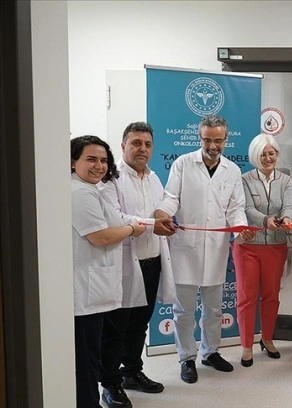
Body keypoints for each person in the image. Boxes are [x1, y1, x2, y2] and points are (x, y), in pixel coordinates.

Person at [155, 114, 253, 384]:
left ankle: (210, 352)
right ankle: (186, 358)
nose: (212, 145)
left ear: (226, 139)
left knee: (213, 310)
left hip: (216, 249)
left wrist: (240, 228)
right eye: (207, 139)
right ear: (200, 137)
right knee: (184, 310)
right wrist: (163, 212)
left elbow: (235, 208)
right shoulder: (183, 164)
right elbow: (171, 197)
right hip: (185, 248)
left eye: (218, 140)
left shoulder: (232, 170)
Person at [97, 122, 176, 407]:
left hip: (151, 262)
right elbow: (115, 218)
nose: (143, 149)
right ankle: (110, 384)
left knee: (139, 325)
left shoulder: (153, 178)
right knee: (115, 329)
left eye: (147, 144)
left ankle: (131, 371)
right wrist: (154, 223)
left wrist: (164, 217)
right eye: (136, 143)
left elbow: (163, 206)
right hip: (124, 265)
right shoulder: (111, 179)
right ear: (123, 146)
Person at [70, 135, 145, 408]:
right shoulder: (79, 192)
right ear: (73, 161)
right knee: (85, 363)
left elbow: (114, 220)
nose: (99, 166)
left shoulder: (92, 189)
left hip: (94, 290)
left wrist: (132, 224)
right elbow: (100, 236)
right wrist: (131, 230)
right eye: (91, 159)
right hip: (85, 294)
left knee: (90, 358)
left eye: (103, 160)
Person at [233, 133, 292, 367]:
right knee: (247, 297)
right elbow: (247, 208)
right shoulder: (244, 180)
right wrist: (266, 220)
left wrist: (286, 218)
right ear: (254, 156)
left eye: (272, 153)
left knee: (271, 296)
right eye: (263, 155)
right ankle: (246, 345)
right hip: (248, 246)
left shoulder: (286, 181)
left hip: (276, 246)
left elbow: (288, 206)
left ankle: (267, 339)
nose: (268, 158)